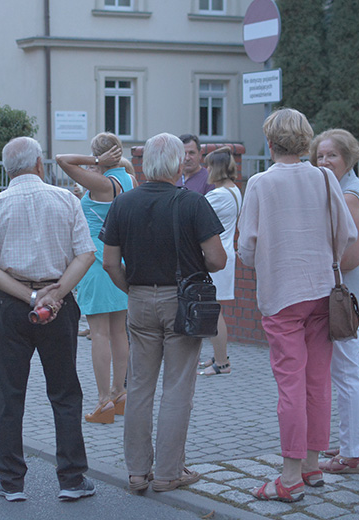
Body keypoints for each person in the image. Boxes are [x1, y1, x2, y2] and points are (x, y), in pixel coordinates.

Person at [0, 136, 97, 502]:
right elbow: (86, 254)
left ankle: (11, 482)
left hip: (12, 304)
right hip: (60, 303)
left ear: (8, 170)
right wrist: (55, 295)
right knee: (65, 391)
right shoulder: (67, 200)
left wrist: (29, 296)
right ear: (39, 164)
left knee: (9, 393)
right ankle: (72, 478)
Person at [238, 109, 357, 502]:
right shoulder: (324, 177)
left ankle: (289, 477)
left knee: (290, 384)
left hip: (282, 293)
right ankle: (311, 464)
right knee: (317, 382)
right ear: (306, 141)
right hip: (323, 289)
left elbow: (247, 248)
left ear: (269, 142)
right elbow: (347, 233)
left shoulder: (259, 183)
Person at [101, 132, 226, 494]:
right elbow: (218, 259)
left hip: (138, 299)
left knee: (138, 386)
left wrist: (134, 289)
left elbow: (110, 263)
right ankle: (169, 473)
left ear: (144, 164)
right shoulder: (192, 203)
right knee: (177, 388)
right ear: (175, 164)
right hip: (183, 301)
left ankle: (138, 473)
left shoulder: (122, 204)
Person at [310, 129, 359, 472]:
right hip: (356, 295)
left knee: (347, 372)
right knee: (357, 369)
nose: (323, 161)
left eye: (331, 155)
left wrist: (320, 264)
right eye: (320, 156)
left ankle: (351, 454)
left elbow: (348, 258)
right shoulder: (352, 188)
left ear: (348, 158)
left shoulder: (348, 195)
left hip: (345, 296)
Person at [56, 132, 131, 424]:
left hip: (97, 262)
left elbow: (62, 160)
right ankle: (119, 392)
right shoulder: (128, 180)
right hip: (120, 262)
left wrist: (96, 161)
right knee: (118, 332)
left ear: (102, 155)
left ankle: (103, 401)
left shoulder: (102, 181)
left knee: (99, 333)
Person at [198, 147, 242, 376]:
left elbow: (196, 219)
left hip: (215, 256)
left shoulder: (218, 195)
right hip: (225, 253)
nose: (205, 170)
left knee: (213, 311)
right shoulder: (233, 190)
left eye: (208, 165)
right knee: (215, 309)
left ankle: (222, 363)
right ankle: (218, 356)